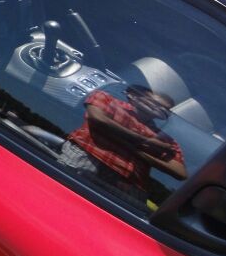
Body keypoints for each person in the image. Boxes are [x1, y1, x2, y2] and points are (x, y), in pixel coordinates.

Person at [59, 84, 187, 211]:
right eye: (155, 102)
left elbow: (180, 172)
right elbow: (98, 120)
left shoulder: (166, 139)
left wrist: (133, 148)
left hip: (128, 185)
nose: (158, 108)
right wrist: (145, 141)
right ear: (133, 95)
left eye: (165, 109)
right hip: (86, 159)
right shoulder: (106, 99)